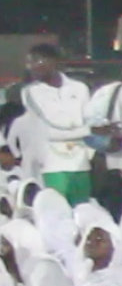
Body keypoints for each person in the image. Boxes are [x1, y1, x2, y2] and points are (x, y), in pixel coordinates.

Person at [19, 44, 93, 200]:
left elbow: (89, 120)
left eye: (37, 61)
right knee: (58, 212)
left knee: (83, 210)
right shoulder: (30, 92)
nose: (32, 67)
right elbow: (47, 132)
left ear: (54, 62)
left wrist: (96, 130)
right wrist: (88, 132)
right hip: (52, 164)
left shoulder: (80, 88)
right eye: (29, 63)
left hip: (81, 162)